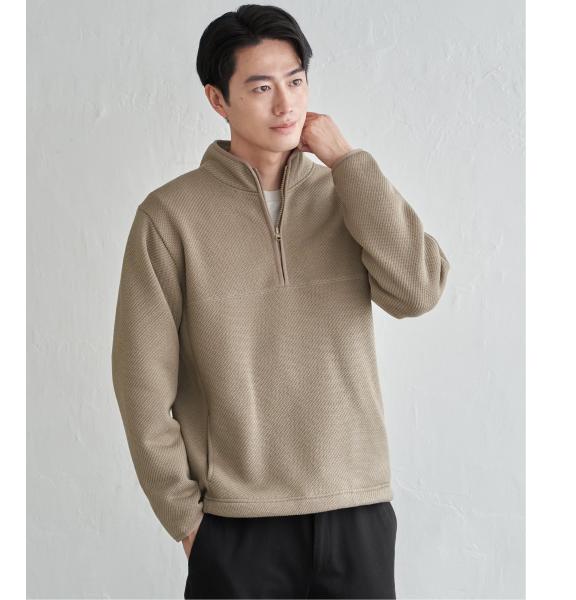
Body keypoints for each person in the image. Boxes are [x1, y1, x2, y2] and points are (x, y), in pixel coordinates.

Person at [111, 4, 450, 599]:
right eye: (261, 87)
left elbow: (417, 292)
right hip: (237, 525)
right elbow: (141, 381)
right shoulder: (170, 218)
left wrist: (347, 162)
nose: (285, 104)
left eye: (295, 81)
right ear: (218, 99)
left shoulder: (347, 193)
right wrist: (186, 519)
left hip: (356, 511)